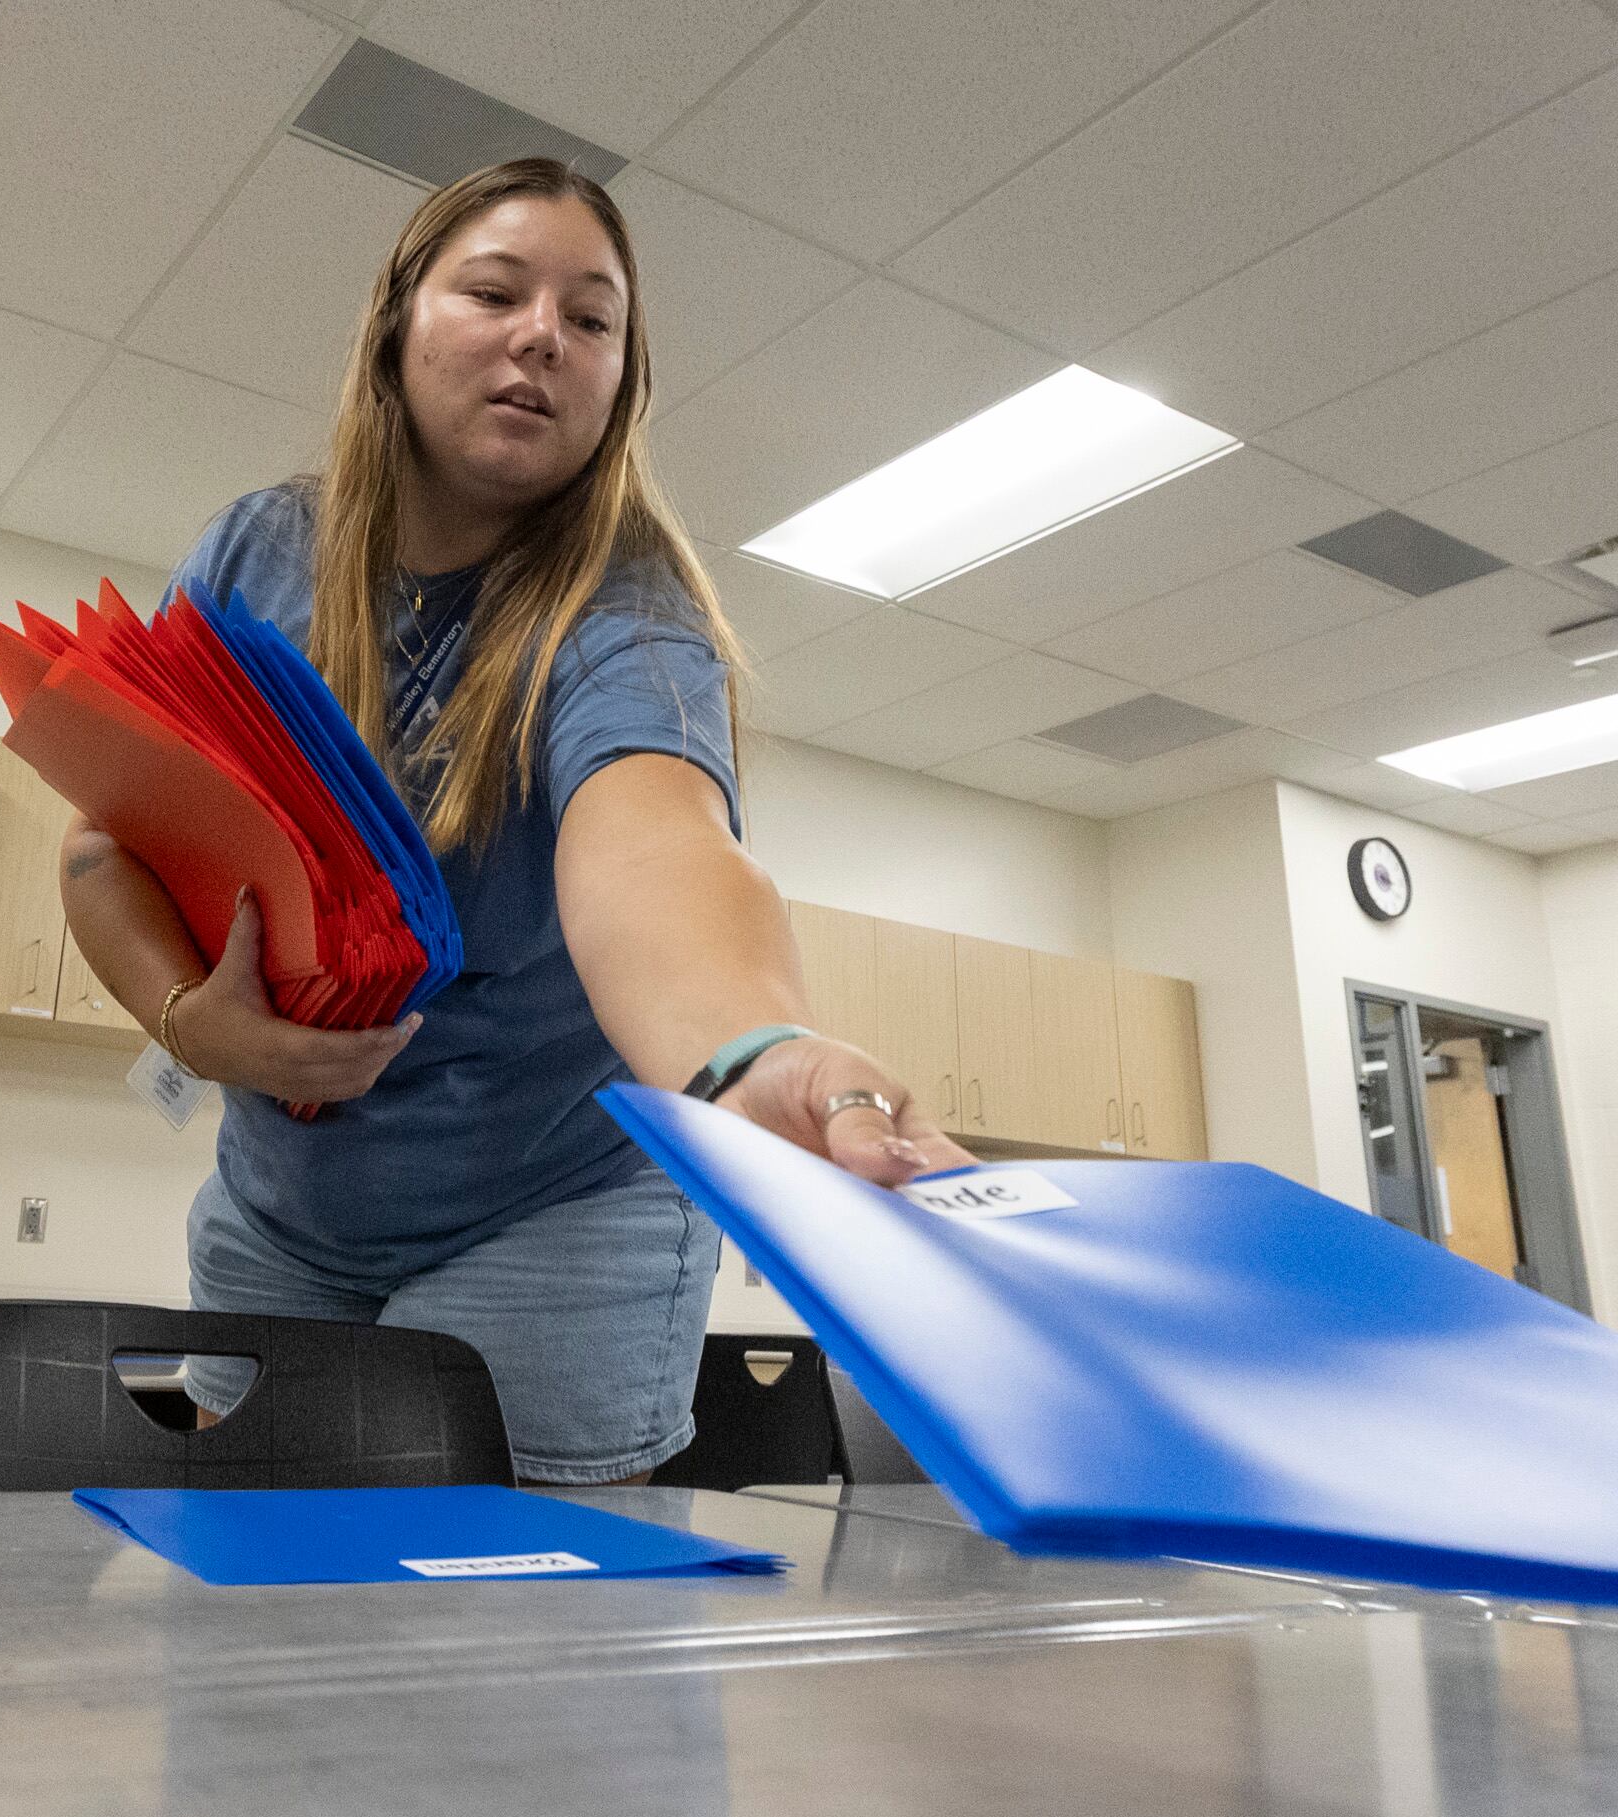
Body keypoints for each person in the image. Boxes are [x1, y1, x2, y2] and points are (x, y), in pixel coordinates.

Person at [59, 157, 972, 1483]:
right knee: (255, 1632)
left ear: (618, 386)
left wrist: (742, 1058)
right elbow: (104, 848)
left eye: (593, 320)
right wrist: (191, 1021)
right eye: (495, 290)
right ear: (395, 324)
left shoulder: (629, 609)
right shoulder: (256, 559)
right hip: (285, 1212)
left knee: (488, 1647)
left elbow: (653, 853)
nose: (544, 333)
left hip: (553, 1212)